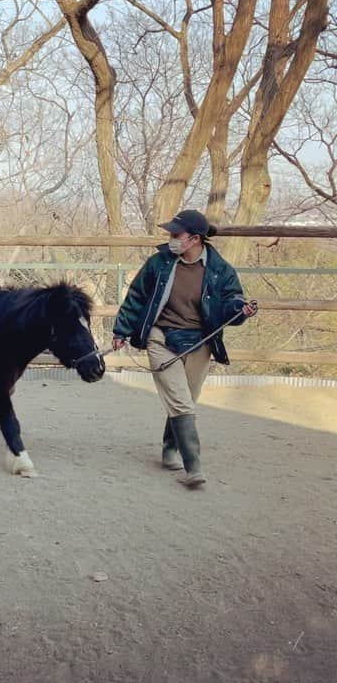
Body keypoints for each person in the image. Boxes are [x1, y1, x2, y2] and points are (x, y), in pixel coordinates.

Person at [112, 209, 258, 488]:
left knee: (186, 400)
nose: (170, 239)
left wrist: (241, 309)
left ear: (194, 239)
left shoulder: (220, 270)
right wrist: (121, 330)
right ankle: (194, 466)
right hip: (160, 337)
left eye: (175, 234)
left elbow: (231, 302)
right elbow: (136, 297)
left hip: (200, 341)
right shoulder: (159, 263)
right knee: (180, 400)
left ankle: (170, 449)